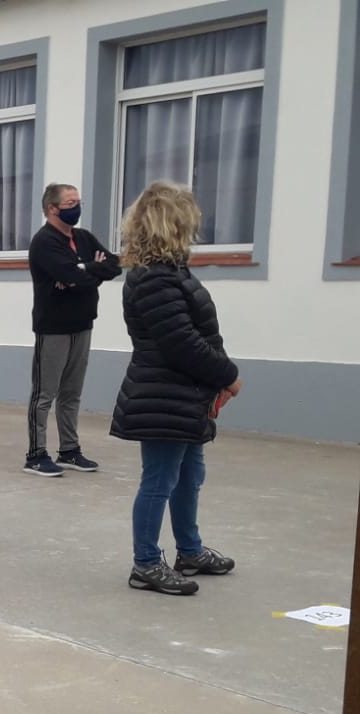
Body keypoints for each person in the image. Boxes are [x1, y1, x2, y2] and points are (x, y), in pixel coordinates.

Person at [111, 181, 241, 596]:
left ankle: (190, 550)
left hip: (182, 396)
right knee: (160, 479)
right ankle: (146, 563)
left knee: (189, 475)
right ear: (173, 223)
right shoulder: (154, 280)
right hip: (164, 394)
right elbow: (181, 343)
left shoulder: (168, 273)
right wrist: (227, 374)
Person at [25, 183, 124, 476]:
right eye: (70, 203)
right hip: (53, 326)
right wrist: (87, 270)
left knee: (72, 392)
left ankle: (69, 449)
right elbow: (68, 274)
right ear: (52, 208)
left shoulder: (83, 237)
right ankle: (36, 454)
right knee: (44, 393)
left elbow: (115, 265)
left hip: (83, 323)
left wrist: (84, 271)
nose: (76, 207)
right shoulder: (44, 242)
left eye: (78, 201)